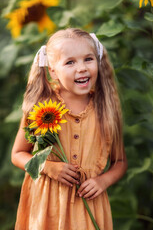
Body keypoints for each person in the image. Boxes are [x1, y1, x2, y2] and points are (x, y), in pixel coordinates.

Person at [11, 28, 128, 230]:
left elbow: (120, 161)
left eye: (88, 59)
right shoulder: (40, 108)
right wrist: (48, 167)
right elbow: (18, 154)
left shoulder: (106, 109)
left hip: (89, 206)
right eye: (70, 62)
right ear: (52, 70)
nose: (81, 68)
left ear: (97, 62)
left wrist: (103, 181)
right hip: (48, 207)